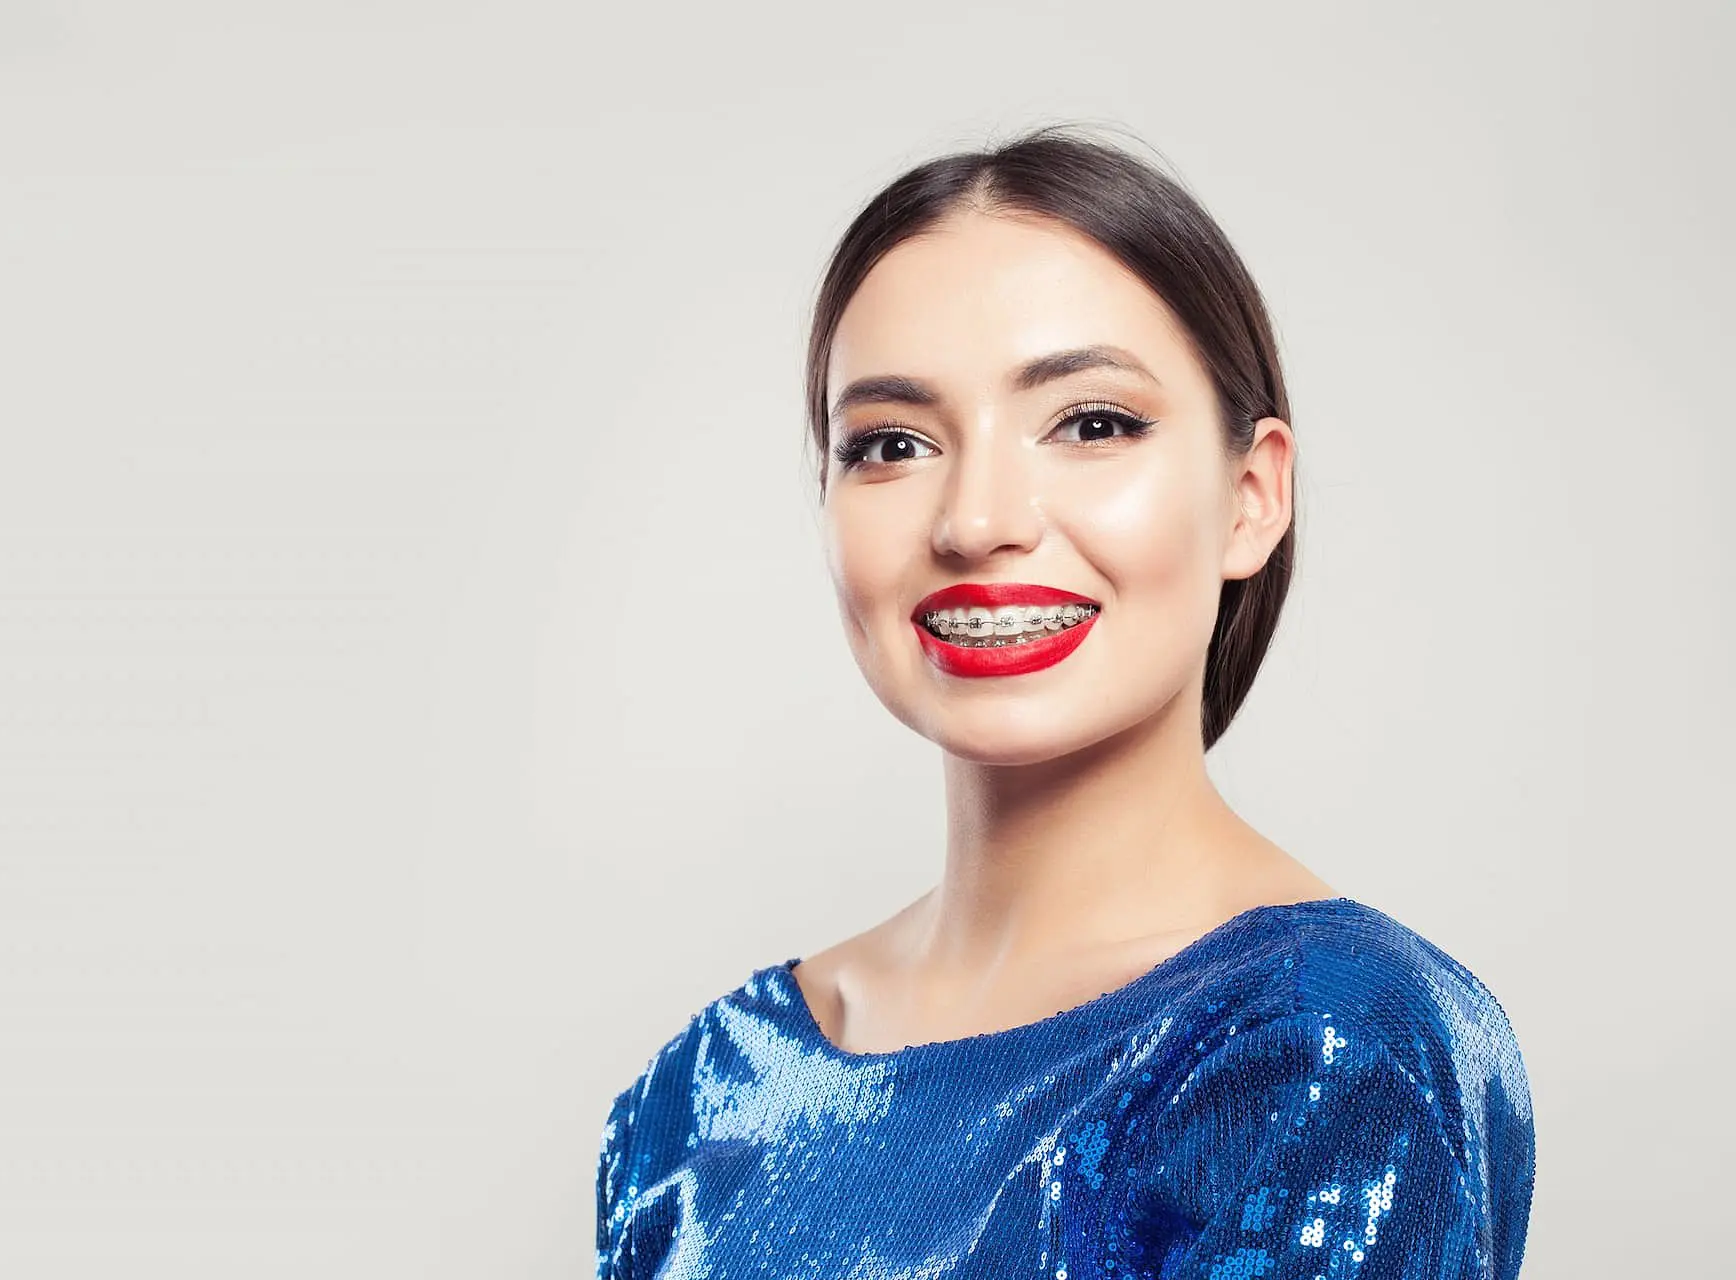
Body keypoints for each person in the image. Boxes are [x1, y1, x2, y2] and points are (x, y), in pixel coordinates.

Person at [592, 124, 1535, 1280]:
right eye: (891, 443)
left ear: (1250, 495)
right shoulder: (697, 1097)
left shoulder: (1328, 1045)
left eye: (1092, 423)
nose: (978, 517)